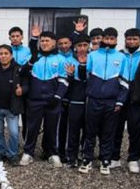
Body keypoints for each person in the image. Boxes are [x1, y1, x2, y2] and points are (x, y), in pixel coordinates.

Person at [82, 28, 129, 175]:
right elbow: (86, 76)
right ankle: (87, 159)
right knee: (90, 131)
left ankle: (105, 160)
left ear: (116, 40)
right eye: (106, 38)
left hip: (111, 101)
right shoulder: (93, 55)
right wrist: (82, 65)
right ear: (102, 39)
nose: (109, 41)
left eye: (112, 39)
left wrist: (120, 101)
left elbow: (125, 81)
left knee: (108, 132)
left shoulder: (121, 58)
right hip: (94, 99)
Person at [20, 30, 71, 166]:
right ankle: (28, 153)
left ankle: (52, 153)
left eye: (47, 40)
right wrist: (32, 60)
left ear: (54, 43)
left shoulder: (61, 60)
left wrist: (57, 96)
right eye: (42, 41)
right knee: (32, 128)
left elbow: (64, 81)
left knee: (52, 128)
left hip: (53, 101)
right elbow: (22, 73)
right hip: (34, 100)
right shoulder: (33, 57)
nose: (44, 43)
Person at [112, 28, 140, 174]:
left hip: (137, 98)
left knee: (135, 130)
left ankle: (133, 159)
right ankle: (114, 157)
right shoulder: (119, 54)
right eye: (129, 39)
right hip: (120, 97)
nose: (131, 41)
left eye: (135, 39)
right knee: (116, 128)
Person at [0, 45, 26, 166]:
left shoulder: (19, 69)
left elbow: (27, 84)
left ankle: (12, 155)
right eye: (1, 54)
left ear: (11, 55)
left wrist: (22, 90)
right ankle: (2, 153)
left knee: (13, 132)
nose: (3, 56)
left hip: (12, 108)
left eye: (6, 53)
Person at [66, 35, 90, 170]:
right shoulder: (69, 61)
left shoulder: (93, 59)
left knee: (88, 131)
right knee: (73, 130)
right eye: (79, 45)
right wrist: (70, 76)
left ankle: (85, 154)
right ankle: (72, 157)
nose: (82, 48)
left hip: (90, 100)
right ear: (75, 47)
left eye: (85, 45)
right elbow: (67, 83)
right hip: (75, 100)